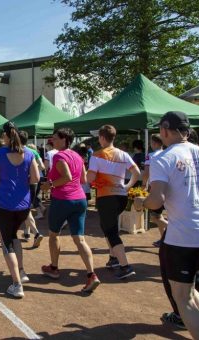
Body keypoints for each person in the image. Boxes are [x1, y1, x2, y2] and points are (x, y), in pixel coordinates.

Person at [134, 111, 199, 338]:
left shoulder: (163, 157)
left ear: (164, 130)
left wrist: (141, 202)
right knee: (190, 291)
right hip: (191, 231)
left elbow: (156, 200)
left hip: (184, 236)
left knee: (183, 298)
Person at [40, 128, 100, 293]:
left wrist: (50, 185)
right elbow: (83, 179)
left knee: (54, 234)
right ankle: (91, 274)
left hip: (62, 200)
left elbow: (66, 177)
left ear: (64, 139)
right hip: (79, 200)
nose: (52, 140)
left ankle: (53, 268)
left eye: (55, 138)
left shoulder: (59, 155)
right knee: (79, 239)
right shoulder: (78, 156)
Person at [0, 122, 40, 298]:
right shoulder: (29, 154)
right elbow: (35, 178)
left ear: (5, 136)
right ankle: (22, 272)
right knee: (14, 236)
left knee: (7, 243)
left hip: (4, 204)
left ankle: (17, 284)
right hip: (23, 205)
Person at [87, 125, 140, 279]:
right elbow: (136, 173)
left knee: (110, 231)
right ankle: (113, 258)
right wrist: (127, 186)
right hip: (121, 197)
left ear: (102, 138)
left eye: (99, 137)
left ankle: (126, 266)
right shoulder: (123, 154)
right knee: (108, 226)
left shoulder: (97, 155)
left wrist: (87, 176)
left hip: (106, 197)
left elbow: (90, 179)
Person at [142, 134, 167, 247]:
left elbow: (146, 172)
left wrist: (143, 184)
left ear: (155, 143)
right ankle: (163, 239)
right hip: (169, 188)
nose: (150, 145)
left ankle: (172, 228)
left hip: (156, 187)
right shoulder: (167, 153)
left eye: (151, 143)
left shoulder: (150, 156)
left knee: (154, 216)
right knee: (159, 215)